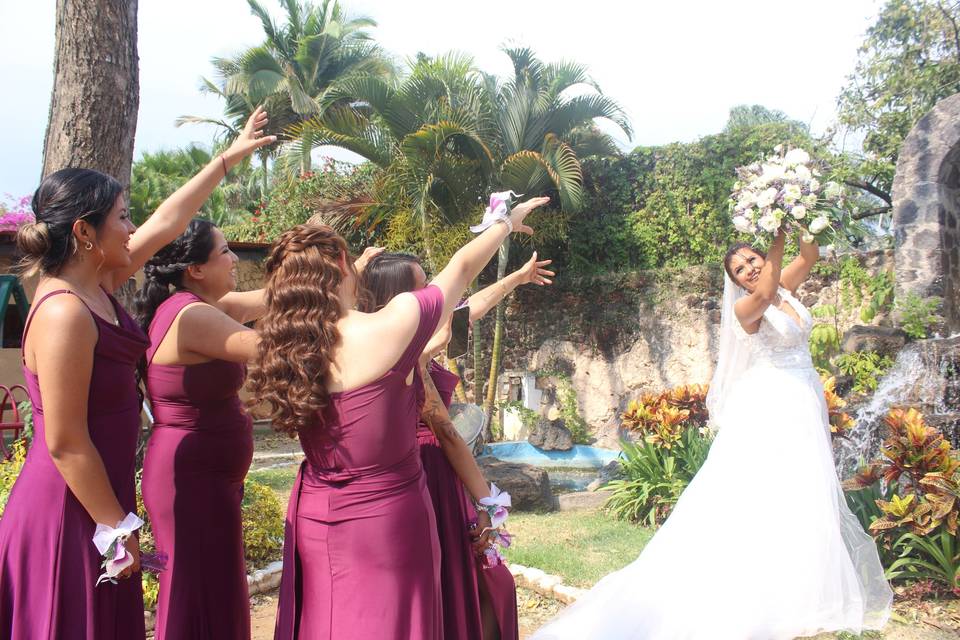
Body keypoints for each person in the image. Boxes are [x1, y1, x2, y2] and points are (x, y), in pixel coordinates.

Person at [531, 230, 893, 640]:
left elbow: (808, 255)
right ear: (737, 282)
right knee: (761, 493)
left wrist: (798, 215)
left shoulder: (782, 287)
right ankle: (748, 584)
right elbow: (771, 280)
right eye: (741, 269)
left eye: (753, 260)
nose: (751, 269)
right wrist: (775, 238)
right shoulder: (746, 307)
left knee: (802, 488)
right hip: (772, 404)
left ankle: (798, 585)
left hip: (803, 398)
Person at [0, 107, 275, 640]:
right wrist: (114, 525)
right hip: (69, 506)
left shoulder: (99, 286)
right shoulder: (64, 312)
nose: (132, 228)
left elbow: (170, 221)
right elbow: (64, 440)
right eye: (122, 217)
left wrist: (226, 161)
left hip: (102, 500)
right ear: (85, 231)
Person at [249, 196, 548, 640]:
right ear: (342, 266)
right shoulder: (392, 327)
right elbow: (462, 269)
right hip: (387, 520)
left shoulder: (285, 349)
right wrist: (504, 223)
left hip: (314, 513)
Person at [360, 250, 554, 640]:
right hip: (425, 469)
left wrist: (516, 276)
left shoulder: (396, 337)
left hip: (438, 467)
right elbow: (446, 429)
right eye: (422, 286)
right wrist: (487, 502)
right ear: (397, 297)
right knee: (471, 576)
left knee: (468, 576)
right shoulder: (403, 348)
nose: (433, 292)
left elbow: (470, 308)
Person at [134, 218, 265, 640]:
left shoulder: (195, 307)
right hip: (191, 480)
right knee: (197, 590)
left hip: (202, 476)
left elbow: (265, 300)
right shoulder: (191, 316)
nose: (234, 261)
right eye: (225, 252)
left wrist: (322, 275)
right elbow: (272, 350)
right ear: (196, 269)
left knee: (211, 587)